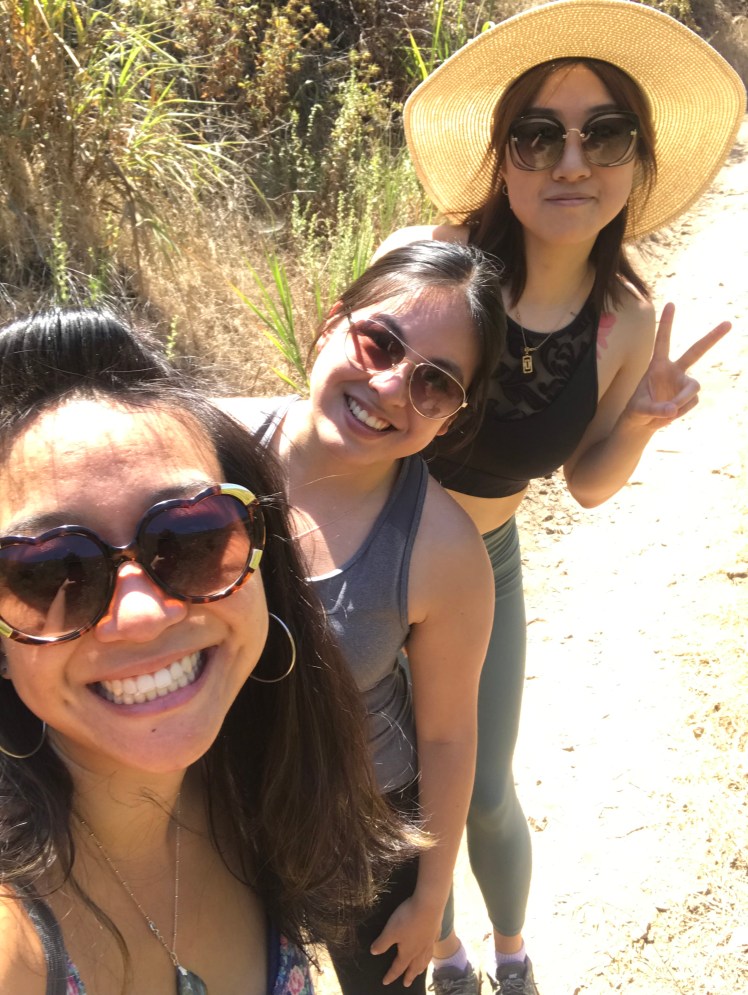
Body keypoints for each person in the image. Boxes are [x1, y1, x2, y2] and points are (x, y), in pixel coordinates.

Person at [375, 1, 746, 992]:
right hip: (376, 561)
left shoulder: (623, 322)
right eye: (539, 136)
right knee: (397, 792)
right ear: (503, 160)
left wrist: (640, 423)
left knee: (485, 789)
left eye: (605, 134)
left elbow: (584, 485)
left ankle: (510, 949)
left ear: (637, 161)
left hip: (482, 571)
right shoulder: (435, 263)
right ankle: (440, 949)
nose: (572, 161)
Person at [0, 307, 417, 995]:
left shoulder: (254, 788)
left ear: (263, 564)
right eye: (50, 571)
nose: (140, 615)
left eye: (191, 539)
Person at [219, 239, 503, 994]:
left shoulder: (444, 551)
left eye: (435, 382)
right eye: (379, 342)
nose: (389, 386)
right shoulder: (207, 451)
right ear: (330, 324)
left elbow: (448, 735)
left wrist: (431, 898)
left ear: (451, 418)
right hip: (212, 803)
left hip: (362, 819)